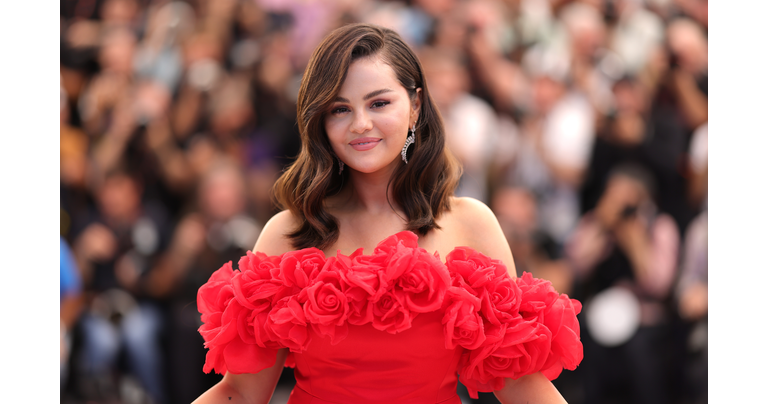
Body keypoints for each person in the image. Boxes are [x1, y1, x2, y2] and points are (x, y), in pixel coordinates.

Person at [192, 23, 582, 404]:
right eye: (339, 109)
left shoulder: (471, 224)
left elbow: (518, 384)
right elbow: (241, 392)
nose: (361, 124)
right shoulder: (289, 232)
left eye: (379, 103)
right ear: (320, 122)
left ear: (414, 106)